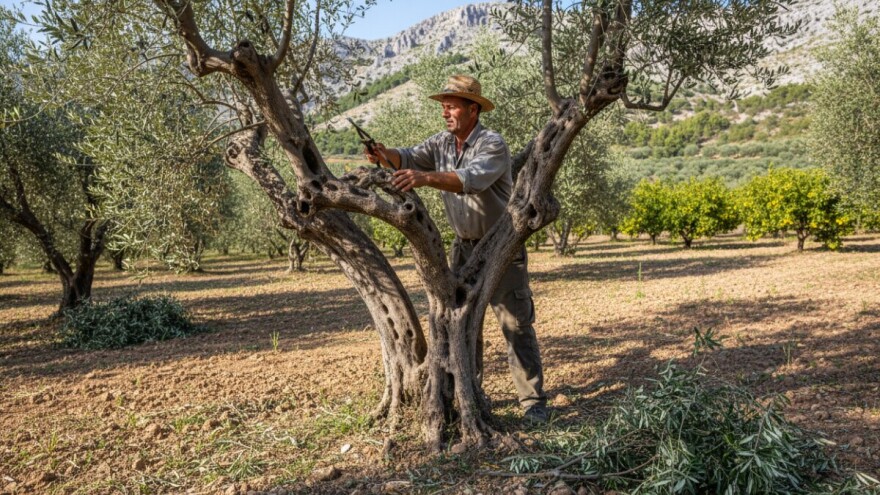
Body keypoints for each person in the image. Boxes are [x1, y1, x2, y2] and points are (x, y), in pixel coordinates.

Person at [364, 74, 549, 424]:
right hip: (462, 249)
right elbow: (406, 157)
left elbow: (471, 180)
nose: (445, 112)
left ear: (473, 109)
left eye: (452, 106)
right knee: (464, 325)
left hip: (500, 245)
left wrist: (425, 178)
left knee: (515, 324)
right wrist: (382, 154)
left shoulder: (492, 144)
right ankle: (471, 395)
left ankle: (533, 402)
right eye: (443, 106)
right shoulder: (441, 143)